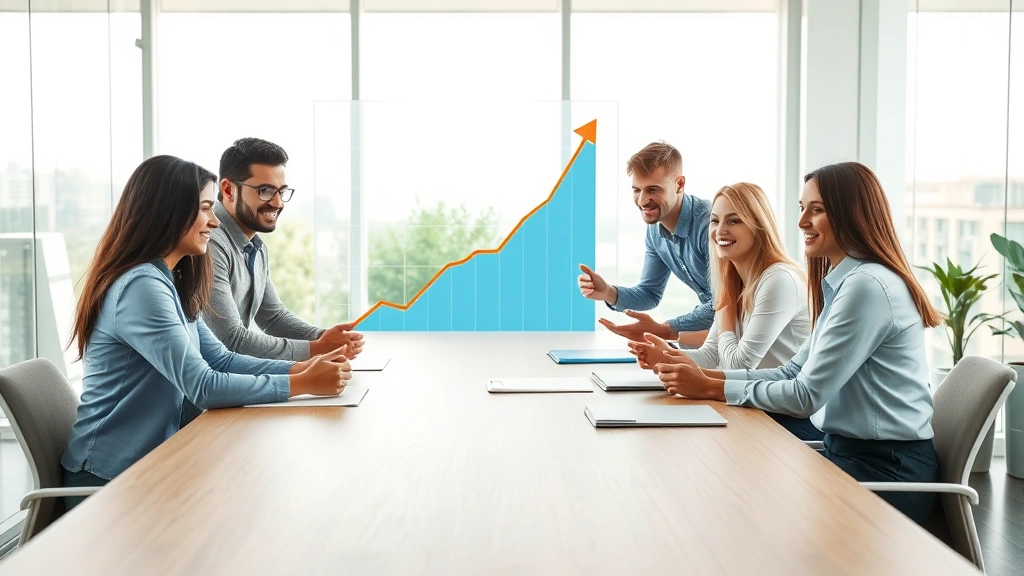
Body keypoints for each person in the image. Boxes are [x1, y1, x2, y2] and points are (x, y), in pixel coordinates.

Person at [639, 162, 942, 524]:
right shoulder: (844, 282)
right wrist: (709, 381)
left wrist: (712, 387)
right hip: (848, 456)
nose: (801, 222)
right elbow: (792, 370)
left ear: (852, 213)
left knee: (739, 506)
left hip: (885, 471)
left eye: (817, 210)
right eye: (802, 209)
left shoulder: (867, 287)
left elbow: (805, 396)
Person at [62, 155, 352, 509]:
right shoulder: (142, 289)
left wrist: (299, 369)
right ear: (169, 212)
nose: (215, 221)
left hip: (157, 462)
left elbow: (220, 358)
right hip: (108, 483)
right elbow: (203, 386)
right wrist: (301, 384)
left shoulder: (170, 280)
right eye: (204, 209)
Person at [630, 182, 820, 441]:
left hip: (787, 420)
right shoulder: (733, 279)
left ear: (759, 227)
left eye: (734, 221)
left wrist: (728, 315)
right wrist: (668, 355)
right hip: (752, 409)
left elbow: (738, 363)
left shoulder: (779, 279)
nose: (720, 230)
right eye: (715, 221)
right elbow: (711, 354)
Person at [205, 137, 363, 362]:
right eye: (265, 190)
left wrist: (323, 337)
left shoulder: (255, 246)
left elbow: (273, 317)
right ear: (228, 190)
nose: (278, 203)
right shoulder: (209, 243)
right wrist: (316, 348)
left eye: (282, 191)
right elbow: (231, 340)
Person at [578, 141, 714, 347]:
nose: (642, 200)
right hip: (728, 332)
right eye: (636, 190)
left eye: (653, 189)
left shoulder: (710, 224)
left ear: (679, 184)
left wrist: (665, 328)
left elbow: (725, 304)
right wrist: (607, 292)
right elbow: (650, 293)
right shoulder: (655, 232)